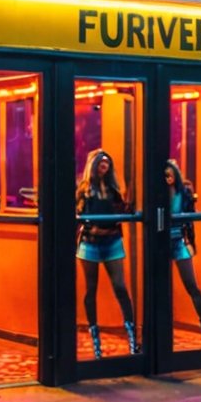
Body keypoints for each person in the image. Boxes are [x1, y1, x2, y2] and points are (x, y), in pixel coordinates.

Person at [76, 148, 136, 358]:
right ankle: (95, 336)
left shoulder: (113, 189)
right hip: (90, 242)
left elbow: (123, 211)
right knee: (90, 289)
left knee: (120, 286)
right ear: (93, 165)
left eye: (107, 163)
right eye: (101, 162)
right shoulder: (84, 189)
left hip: (111, 241)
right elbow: (78, 214)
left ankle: (131, 335)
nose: (105, 166)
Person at [166, 160, 201, 346]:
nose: (167, 178)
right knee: (161, 290)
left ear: (175, 175)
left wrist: (192, 243)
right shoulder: (158, 193)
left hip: (178, 241)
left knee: (192, 285)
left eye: (170, 174)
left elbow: (190, 218)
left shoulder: (182, 193)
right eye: (164, 175)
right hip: (161, 243)